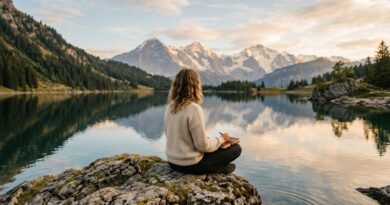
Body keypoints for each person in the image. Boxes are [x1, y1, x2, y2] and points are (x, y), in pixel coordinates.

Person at [164, 68, 242, 175]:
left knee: (214, 146)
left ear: (176, 86)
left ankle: (219, 168)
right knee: (236, 149)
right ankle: (218, 169)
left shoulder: (170, 107)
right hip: (191, 165)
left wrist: (215, 141)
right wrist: (222, 139)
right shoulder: (194, 109)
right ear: (196, 86)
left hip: (172, 163)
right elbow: (203, 146)